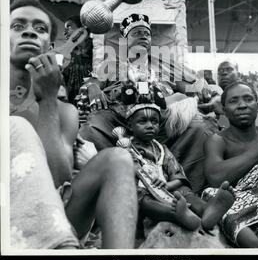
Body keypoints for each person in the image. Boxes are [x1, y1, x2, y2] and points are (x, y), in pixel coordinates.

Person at [9, 0, 138, 249]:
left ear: (49, 46)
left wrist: (47, 100)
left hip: (55, 217)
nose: (30, 33)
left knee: (118, 159)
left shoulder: (64, 111)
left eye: (40, 29)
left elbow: (57, 180)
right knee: (18, 127)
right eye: (18, 26)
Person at [78, 13, 220, 194]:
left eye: (146, 33)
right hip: (123, 124)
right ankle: (108, 188)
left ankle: (188, 191)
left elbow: (194, 88)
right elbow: (94, 82)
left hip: (161, 124)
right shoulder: (113, 65)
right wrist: (92, 87)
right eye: (137, 33)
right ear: (125, 39)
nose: (143, 36)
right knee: (91, 128)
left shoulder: (164, 65)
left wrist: (212, 94)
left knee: (202, 128)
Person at [113, 82, 235, 233]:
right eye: (142, 121)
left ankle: (208, 210)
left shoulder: (161, 149)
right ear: (130, 126)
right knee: (143, 200)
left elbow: (177, 173)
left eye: (155, 121)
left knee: (184, 190)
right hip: (142, 189)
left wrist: (168, 185)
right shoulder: (126, 148)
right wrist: (149, 184)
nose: (150, 126)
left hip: (166, 185)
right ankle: (177, 215)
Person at [203, 81, 258, 248]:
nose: (242, 105)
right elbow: (215, 177)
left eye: (248, 99)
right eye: (233, 101)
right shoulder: (217, 140)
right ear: (223, 110)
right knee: (213, 194)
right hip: (238, 203)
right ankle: (257, 246)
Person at [63, 15, 93, 104]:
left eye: (69, 27)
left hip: (92, 102)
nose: (65, 32)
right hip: (72, 103)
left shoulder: (96, 49)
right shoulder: (68, 53)